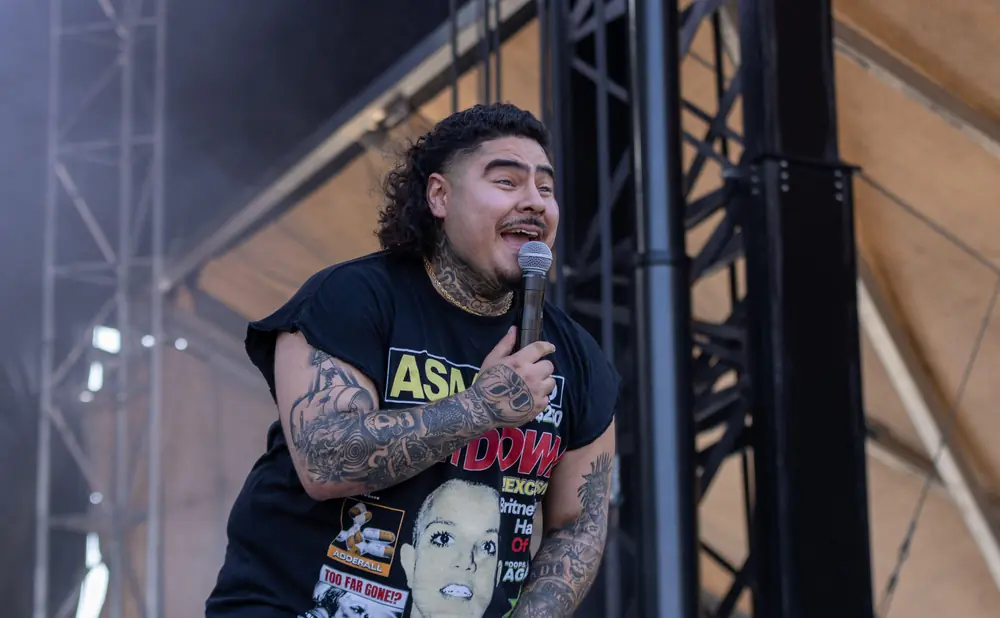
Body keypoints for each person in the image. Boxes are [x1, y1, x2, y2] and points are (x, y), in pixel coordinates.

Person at [206, 102, 619, 618]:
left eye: (545, 188)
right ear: (440, 196)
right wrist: (479, 409)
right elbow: (325, 460)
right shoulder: (355, 298)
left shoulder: (577, 358)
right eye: (508, 182)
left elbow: (577, 525)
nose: (535, 202)